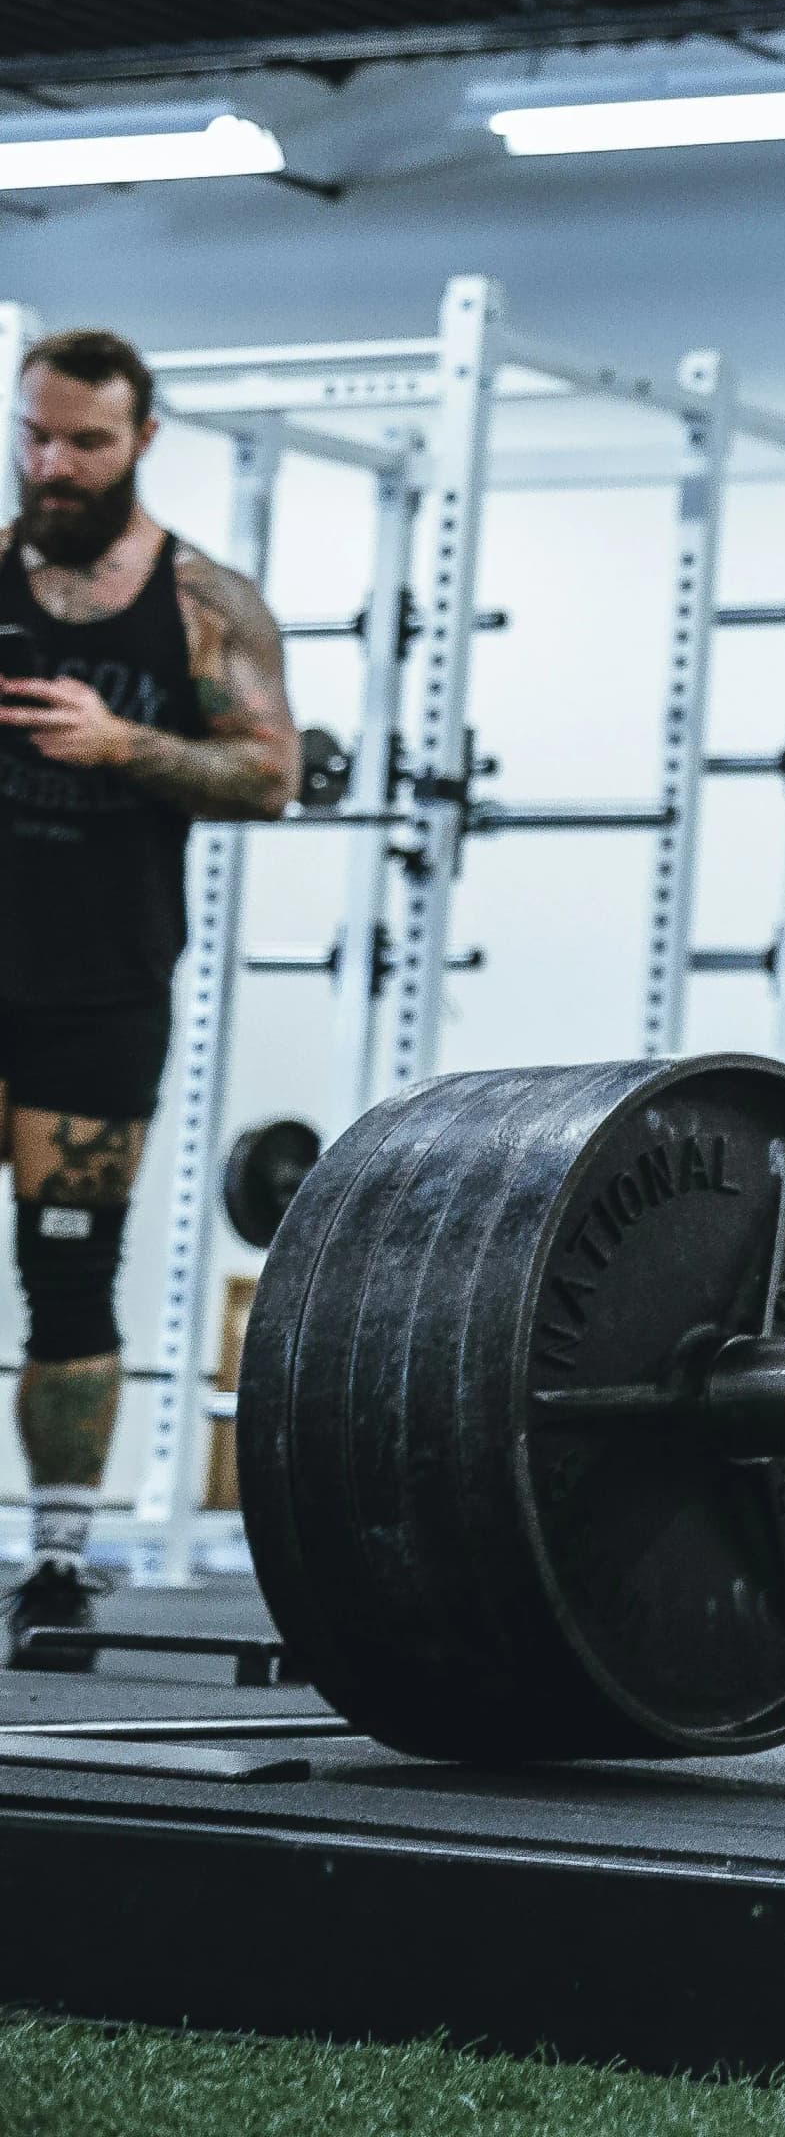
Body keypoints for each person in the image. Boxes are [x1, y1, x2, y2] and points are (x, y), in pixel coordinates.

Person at [0, 329, 297, 1632]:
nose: (53, 467)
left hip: (100, 988)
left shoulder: (205, 605)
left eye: (85, 443)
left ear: (143, 440)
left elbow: (269, 774)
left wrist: (125, 745)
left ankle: (59, 1564)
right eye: (35, 437)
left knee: (69, 1269)